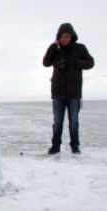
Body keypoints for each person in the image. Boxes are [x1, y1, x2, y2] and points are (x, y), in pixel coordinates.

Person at [43, 23, 94, 155]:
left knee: (74, 121)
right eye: (62, 36)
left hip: (74, 93)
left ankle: (75, 146)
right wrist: (53, 46)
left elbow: (90, 62)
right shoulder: (56, 49)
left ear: (72, 36)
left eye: (67, 36)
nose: (64, 39)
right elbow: (46, 62)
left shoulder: (80, 48)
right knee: (57, 122)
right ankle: (55, 146)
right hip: (57, 92)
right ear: (58, 37)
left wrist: (77, 63)